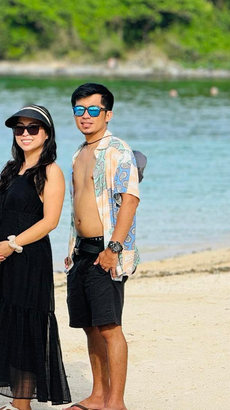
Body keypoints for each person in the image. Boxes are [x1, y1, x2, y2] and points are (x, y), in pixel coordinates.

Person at [0, 105, 71, 410]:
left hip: (29, 258)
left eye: (33, 128)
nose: (25, 134)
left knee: (27, 327)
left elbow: (49, 221)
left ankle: (21, 404)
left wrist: (13, 244)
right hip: (0, 259)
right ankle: (17, 402)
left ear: (46, 133)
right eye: (20, 129)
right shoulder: (9, 169)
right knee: (5, 323)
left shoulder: (50, 171)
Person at [64, 83, 140, 410]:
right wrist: (71, 248)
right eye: (80, 110)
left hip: (106, 252)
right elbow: (78, 205)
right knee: (90, 327)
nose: (86, 116)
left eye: (93, 110)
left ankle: (116, 402)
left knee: (110, 327)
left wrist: (115, 248)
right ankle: (98, 395)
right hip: (81, 252)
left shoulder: (118, 151)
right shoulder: (78, 154)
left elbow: (129, 200)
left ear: (107, 114)